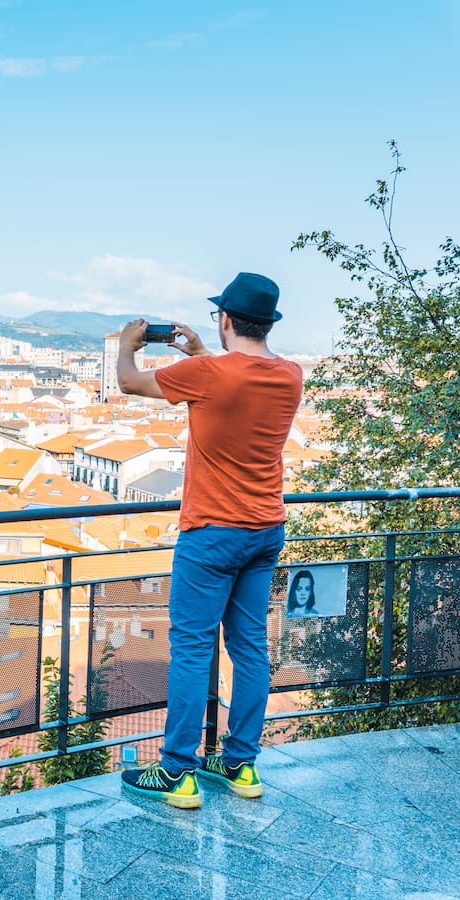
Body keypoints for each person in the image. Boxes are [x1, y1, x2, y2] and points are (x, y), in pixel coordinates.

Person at [116, 272, 303, 808]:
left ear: (225, 320)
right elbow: (234, 380)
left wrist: (126, 346)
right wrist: (201, 351)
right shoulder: (290, 375)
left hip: (212, 532)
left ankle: (178, 771)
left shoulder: (206, 374)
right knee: (250, 649)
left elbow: (130, 383)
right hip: (265, 530)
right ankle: (240, 764)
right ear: (267, 323)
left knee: (193, 649)